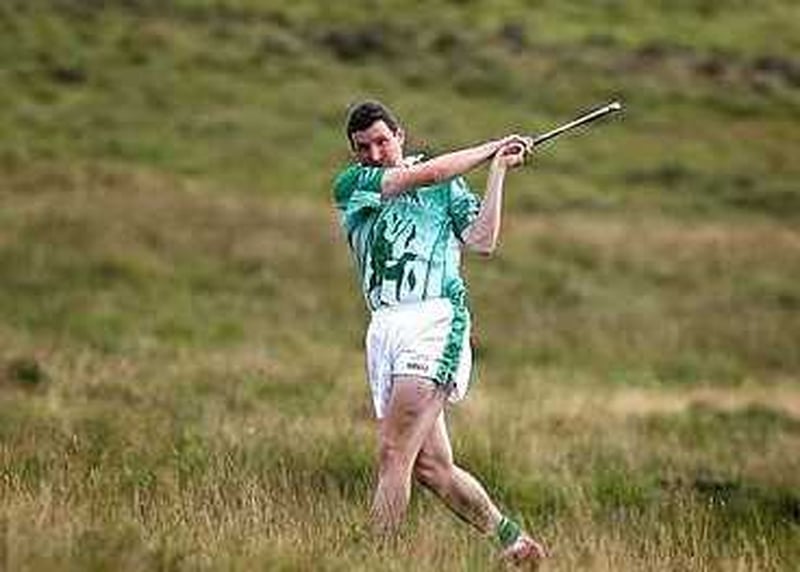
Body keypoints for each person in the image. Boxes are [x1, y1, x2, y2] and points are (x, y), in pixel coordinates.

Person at [332, 100, 547, 567]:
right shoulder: (355, 184)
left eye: (382, 142)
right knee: (431, 467)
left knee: (393, 453)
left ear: (400, 136)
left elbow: (482, 240)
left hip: (432, 321)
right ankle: (515, 543)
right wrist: (493, 146)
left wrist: (497, 172)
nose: (373, 153)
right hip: (384, 328)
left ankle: (372, 559)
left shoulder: (447, 185)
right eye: (363, 147)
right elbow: (423, 176)